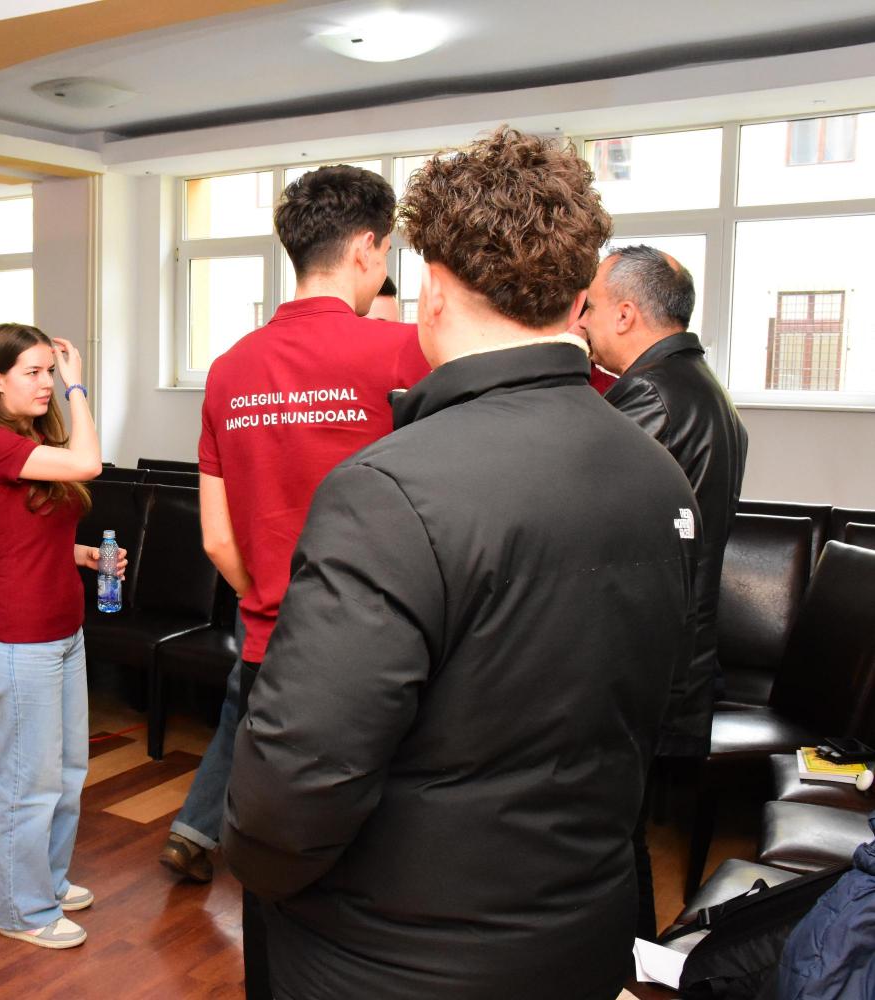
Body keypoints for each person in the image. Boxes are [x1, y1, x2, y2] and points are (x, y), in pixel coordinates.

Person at [222, 127, 700, 1000]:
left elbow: (290, 796)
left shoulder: (388, 491)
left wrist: (265, 873)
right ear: (576, 300)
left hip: (395, 958)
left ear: (433, 291)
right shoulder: (658, 472)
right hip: (582, 935)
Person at [166, 163, 429, 995]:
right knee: (378, 865)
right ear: (366, 249)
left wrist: (275, 596)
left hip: (270, 646)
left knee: (281, 859)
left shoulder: (230, 368)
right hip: (378, 654)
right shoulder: (404, 351)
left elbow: (216, 537)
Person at [578, 243, 749, 936]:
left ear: (625, 313)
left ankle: (628, 962)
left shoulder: (649, 394)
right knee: (623, 832)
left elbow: (588, 513)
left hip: (640, 655)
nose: (581, 321)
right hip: (678, 652)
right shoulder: (706, 390)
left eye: (590, 306)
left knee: (608, 837)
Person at [0, 322, 120, 950]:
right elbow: (90, 462)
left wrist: (82, 555)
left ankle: (47, 883)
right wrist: (80, 385)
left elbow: (25, 534)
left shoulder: (31, 440)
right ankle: (19, 909)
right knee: (28, 782)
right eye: (32, 372)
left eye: (51, 372)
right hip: (20, 640)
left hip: (65, 631)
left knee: (68, 772)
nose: (47, 383)